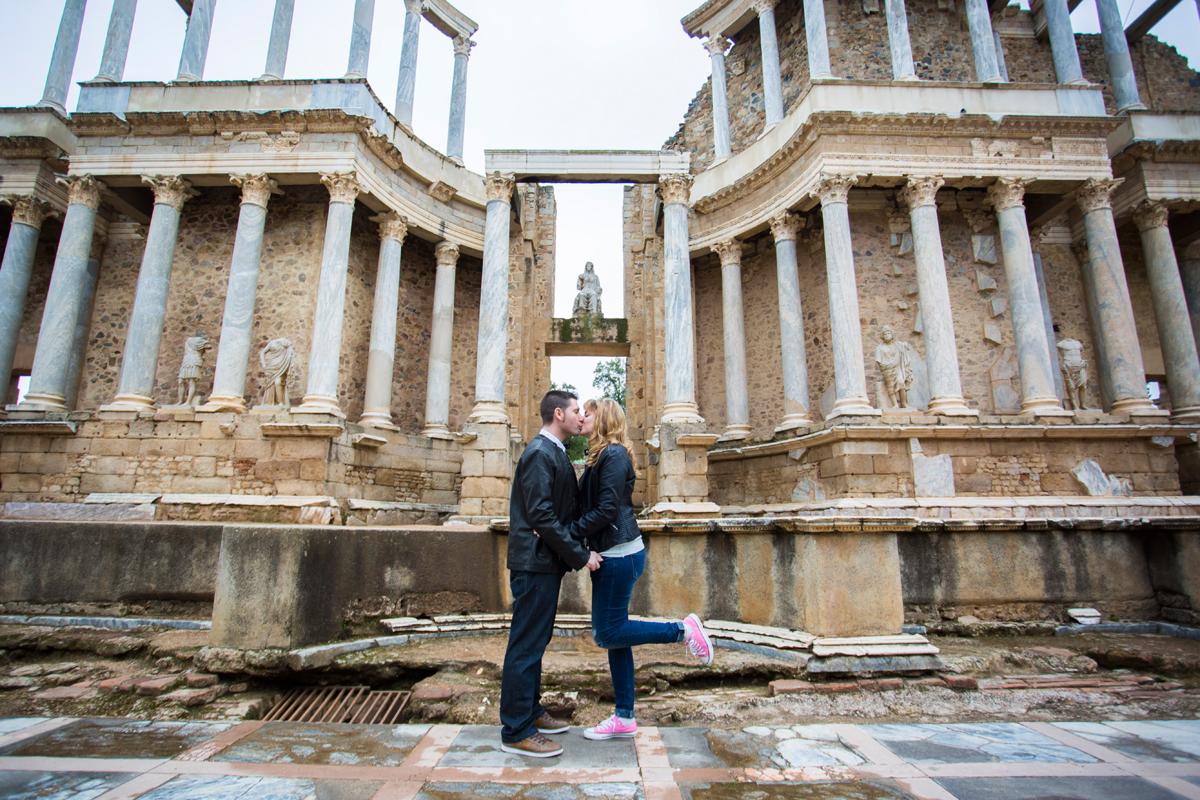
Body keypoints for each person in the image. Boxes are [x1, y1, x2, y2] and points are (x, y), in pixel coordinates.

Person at [572, 398, 714, 741]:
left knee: (607, 633)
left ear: (603, 418)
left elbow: (607, 510)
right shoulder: (602, 454)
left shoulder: (615, 455)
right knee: (616, 638)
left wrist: (568, 534)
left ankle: (683, 631)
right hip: (613, 552)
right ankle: (624, 716)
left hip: (620, 554)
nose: (582, 417)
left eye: (587, 413)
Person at [500, 389, 603, 758]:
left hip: (544, 562)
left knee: (535, 642)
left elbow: (557, 514)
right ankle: (516, 731)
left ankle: (529, 711)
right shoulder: (539, 453)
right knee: (526, 645)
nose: (581, 416)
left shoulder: (554, 452)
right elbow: (541, 515)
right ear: (558, 414)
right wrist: (580, 555)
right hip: (533, 564)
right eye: (576, 410)